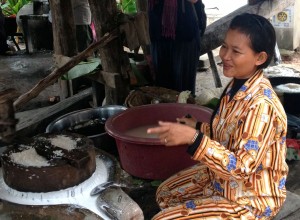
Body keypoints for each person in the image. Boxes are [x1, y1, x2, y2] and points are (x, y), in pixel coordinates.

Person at [147, 13, 288, 219]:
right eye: (224, 46)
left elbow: (241, 169)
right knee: (165, 194)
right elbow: (229, 132)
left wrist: (193, 139)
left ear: (260, 58)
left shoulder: (261, 106)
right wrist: (198, 127)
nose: (224, 55)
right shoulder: (237, 83)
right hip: (222, 179)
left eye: (236, 51)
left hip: (251, 197)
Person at [148, 0, 206, 95]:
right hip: (158, 34)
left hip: (184, 36)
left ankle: (184, 109)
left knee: (183, 92)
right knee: (162, 90)